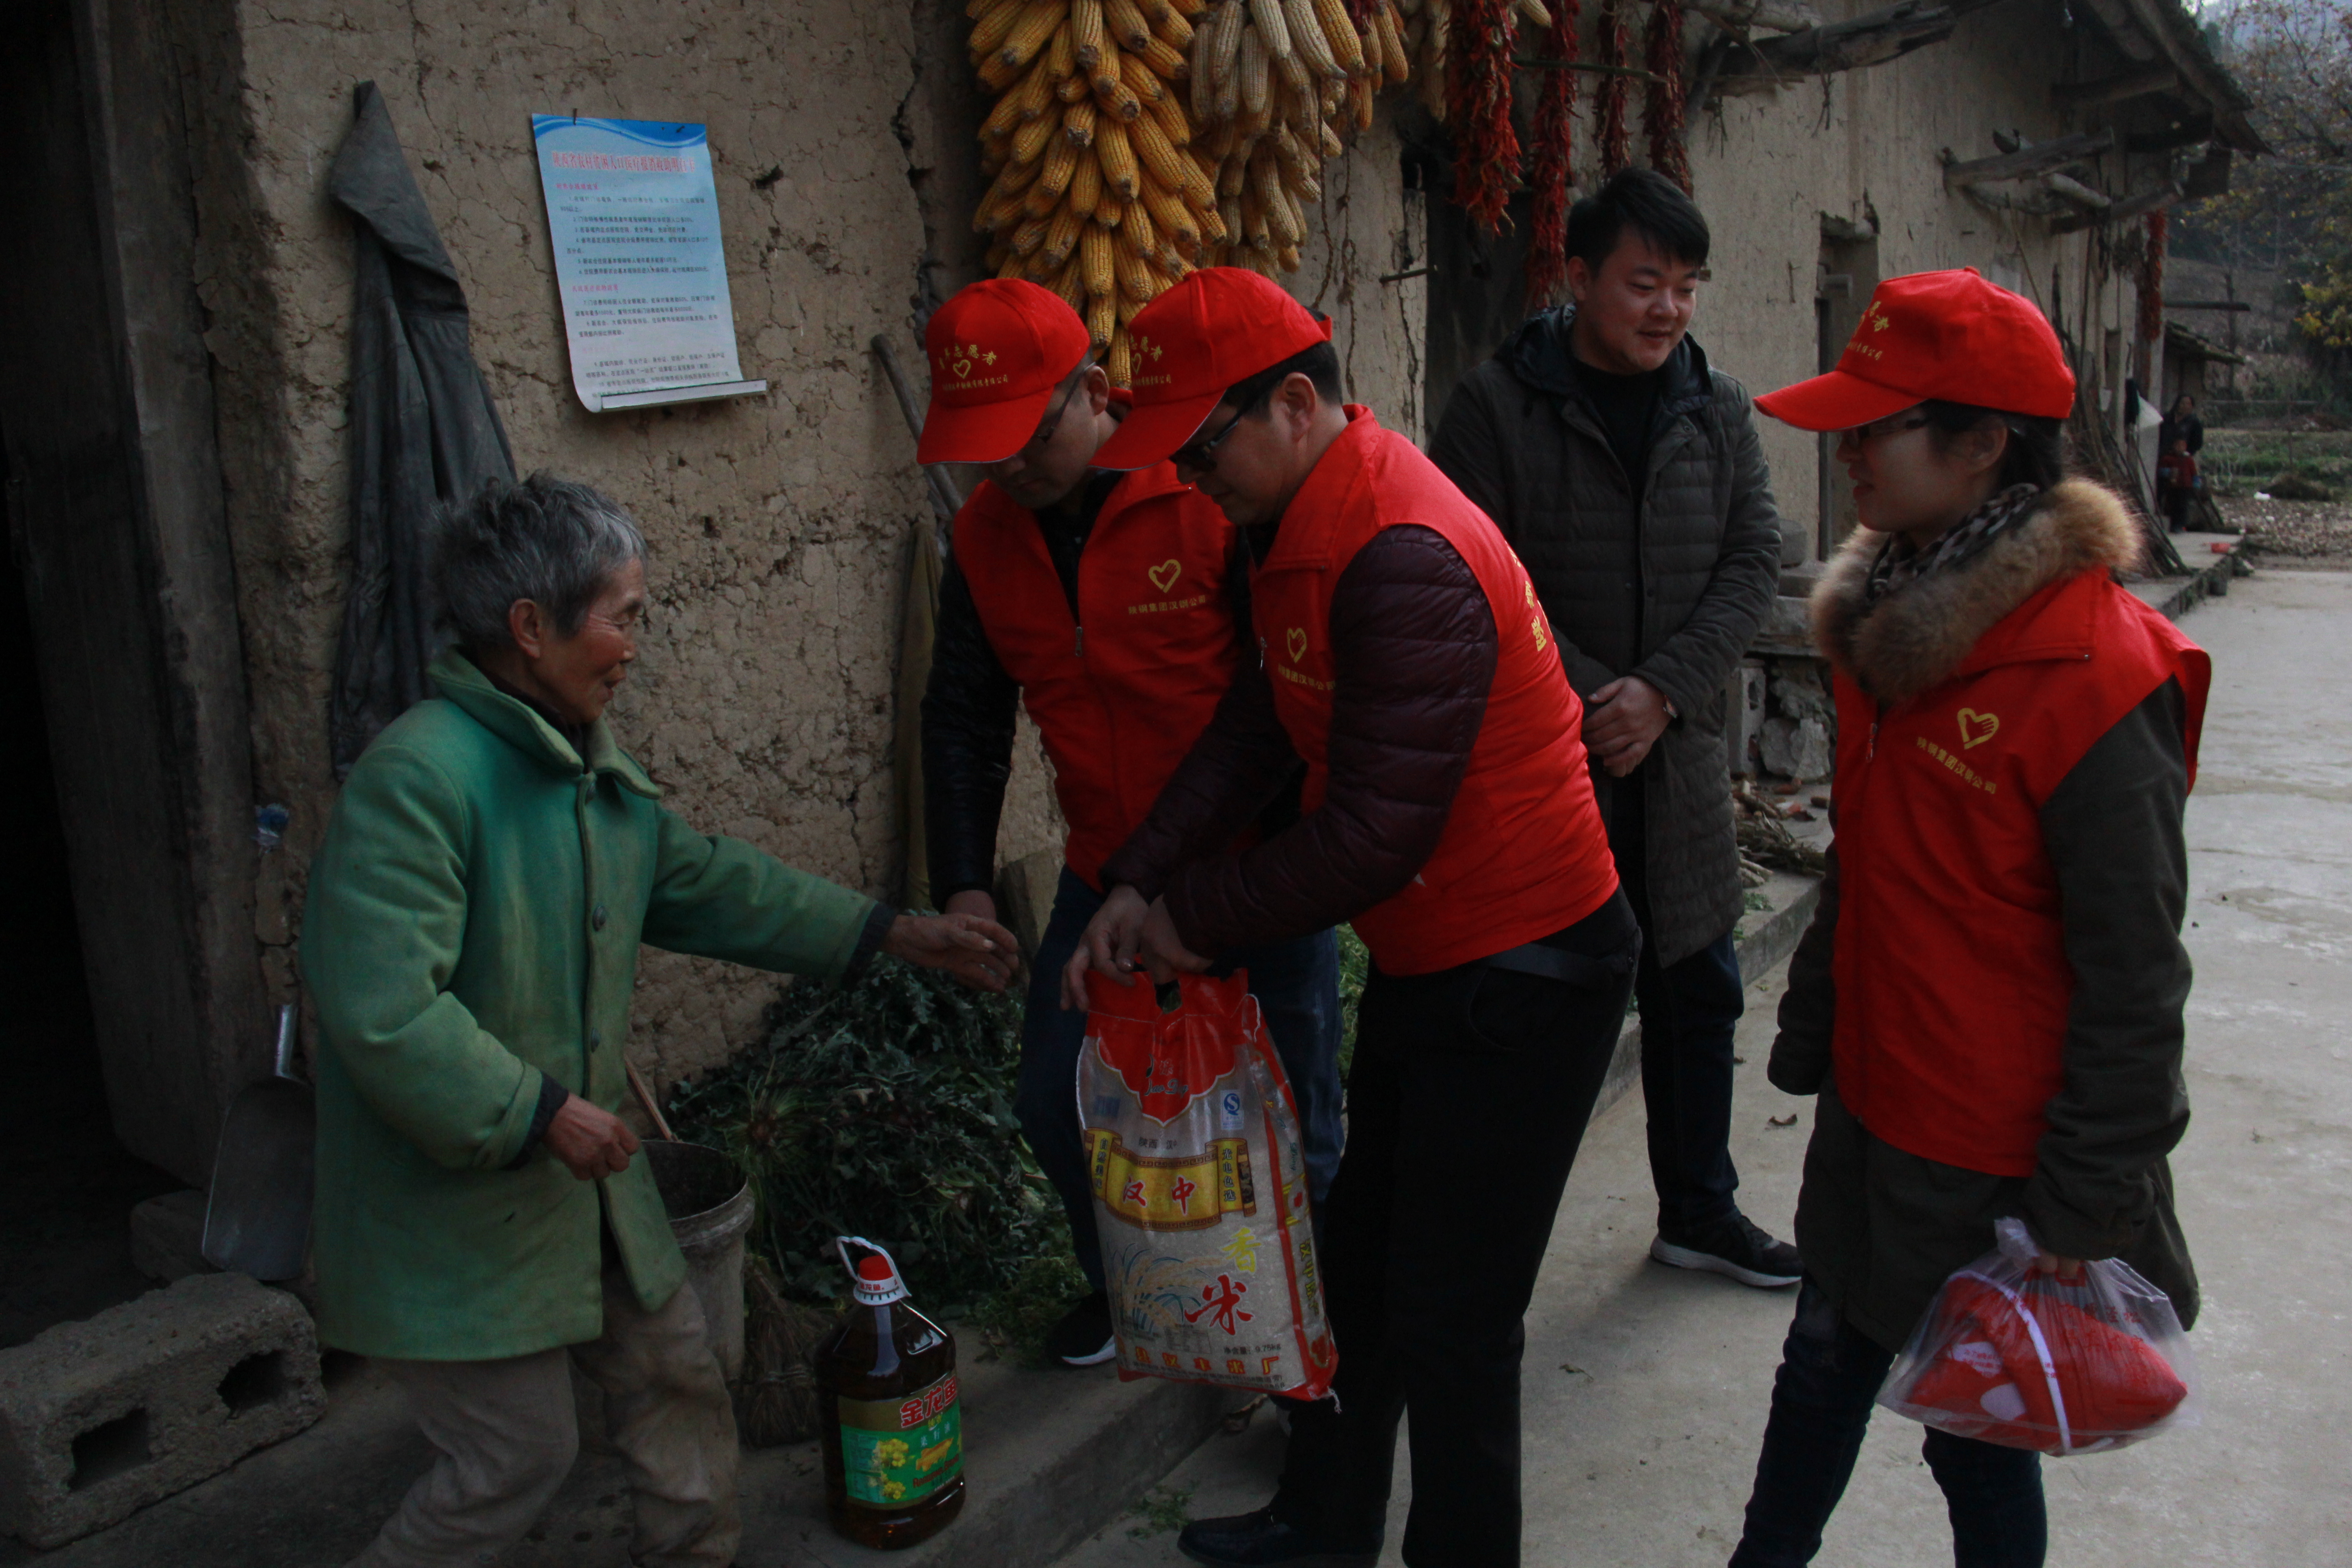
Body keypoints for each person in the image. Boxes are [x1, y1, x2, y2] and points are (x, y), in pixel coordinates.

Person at [305, 475, 1016, 1568]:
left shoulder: (581, 766)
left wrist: (891, 932)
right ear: (532, 628)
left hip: (582, 1183)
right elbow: (383, 1010)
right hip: (458, 1207)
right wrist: (539, 1108)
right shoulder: (421, 779)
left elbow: (708, 884)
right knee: (512, 1458)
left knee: (677, 1378)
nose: (636, 643)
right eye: (622, 616)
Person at [1067, 268, 1637, 1568]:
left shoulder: (1402, 558)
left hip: (1529, 973)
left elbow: (1379, 834)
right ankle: (1323, 1526)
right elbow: (1262, 729)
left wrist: (1195, 919)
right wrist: (1140, 877)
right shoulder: (1288, 531)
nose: (1189, 483)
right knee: (1361, 1271)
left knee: (1456, 1323)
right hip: (1440, 961)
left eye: (1200, 452)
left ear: (1293, 404)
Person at [1727, 268, 2209, 1567]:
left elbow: (2136, 979)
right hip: (1879, 1115)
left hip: (1998, 1164)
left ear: (1984, 444)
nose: (1848, 455)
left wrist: (2082, 1209)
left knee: (1974, 1443)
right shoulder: (1898, 623)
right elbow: (1879, 863)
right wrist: (1819, 1022)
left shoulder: (2095, 676)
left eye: (1875, 427)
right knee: (1820, 1371)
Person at [916, 278, 1344, 1368]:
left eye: (1028, 430)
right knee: (1056, 1102)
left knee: (1288, 1121)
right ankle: (1133, 1283)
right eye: (981, 443)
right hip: (1102, 868)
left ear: (1093, 394)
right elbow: (963, 714)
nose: (1007, 462)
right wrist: (963, 877)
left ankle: (1309, 1328)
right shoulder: (983, 536)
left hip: (1251, 864)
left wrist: (1221, 874)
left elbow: (1274, 700)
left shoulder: (1202, 491)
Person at [1428, 166, 1796, 1290]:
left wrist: (1664, 690)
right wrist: (1595, 700)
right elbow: (1469, 577)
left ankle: (1699, 1208)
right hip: (1545, 765)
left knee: (1696, 990)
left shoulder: (1715, 406)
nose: (1666, 309)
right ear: (1578, 276)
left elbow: (1752, 563)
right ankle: (1489, 1242)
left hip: (1672, 759)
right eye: (1644, 282)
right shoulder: (1495, 406)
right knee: (1538, 1007)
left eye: (1685, 287)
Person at [2156, 438, 2200, 533]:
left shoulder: (2189, 460)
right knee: (2173, 506)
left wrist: (2196, 485)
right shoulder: (2167, 458)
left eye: (2182, 446)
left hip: (2186, 487)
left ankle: (2180, 525)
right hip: (2173, 487)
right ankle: (2172, 525)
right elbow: (2161, 472)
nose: (2180, 448)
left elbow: (2194, 473)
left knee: (2183, 507)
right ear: (2174, 446)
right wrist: (2170, 473)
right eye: (2178, 445)